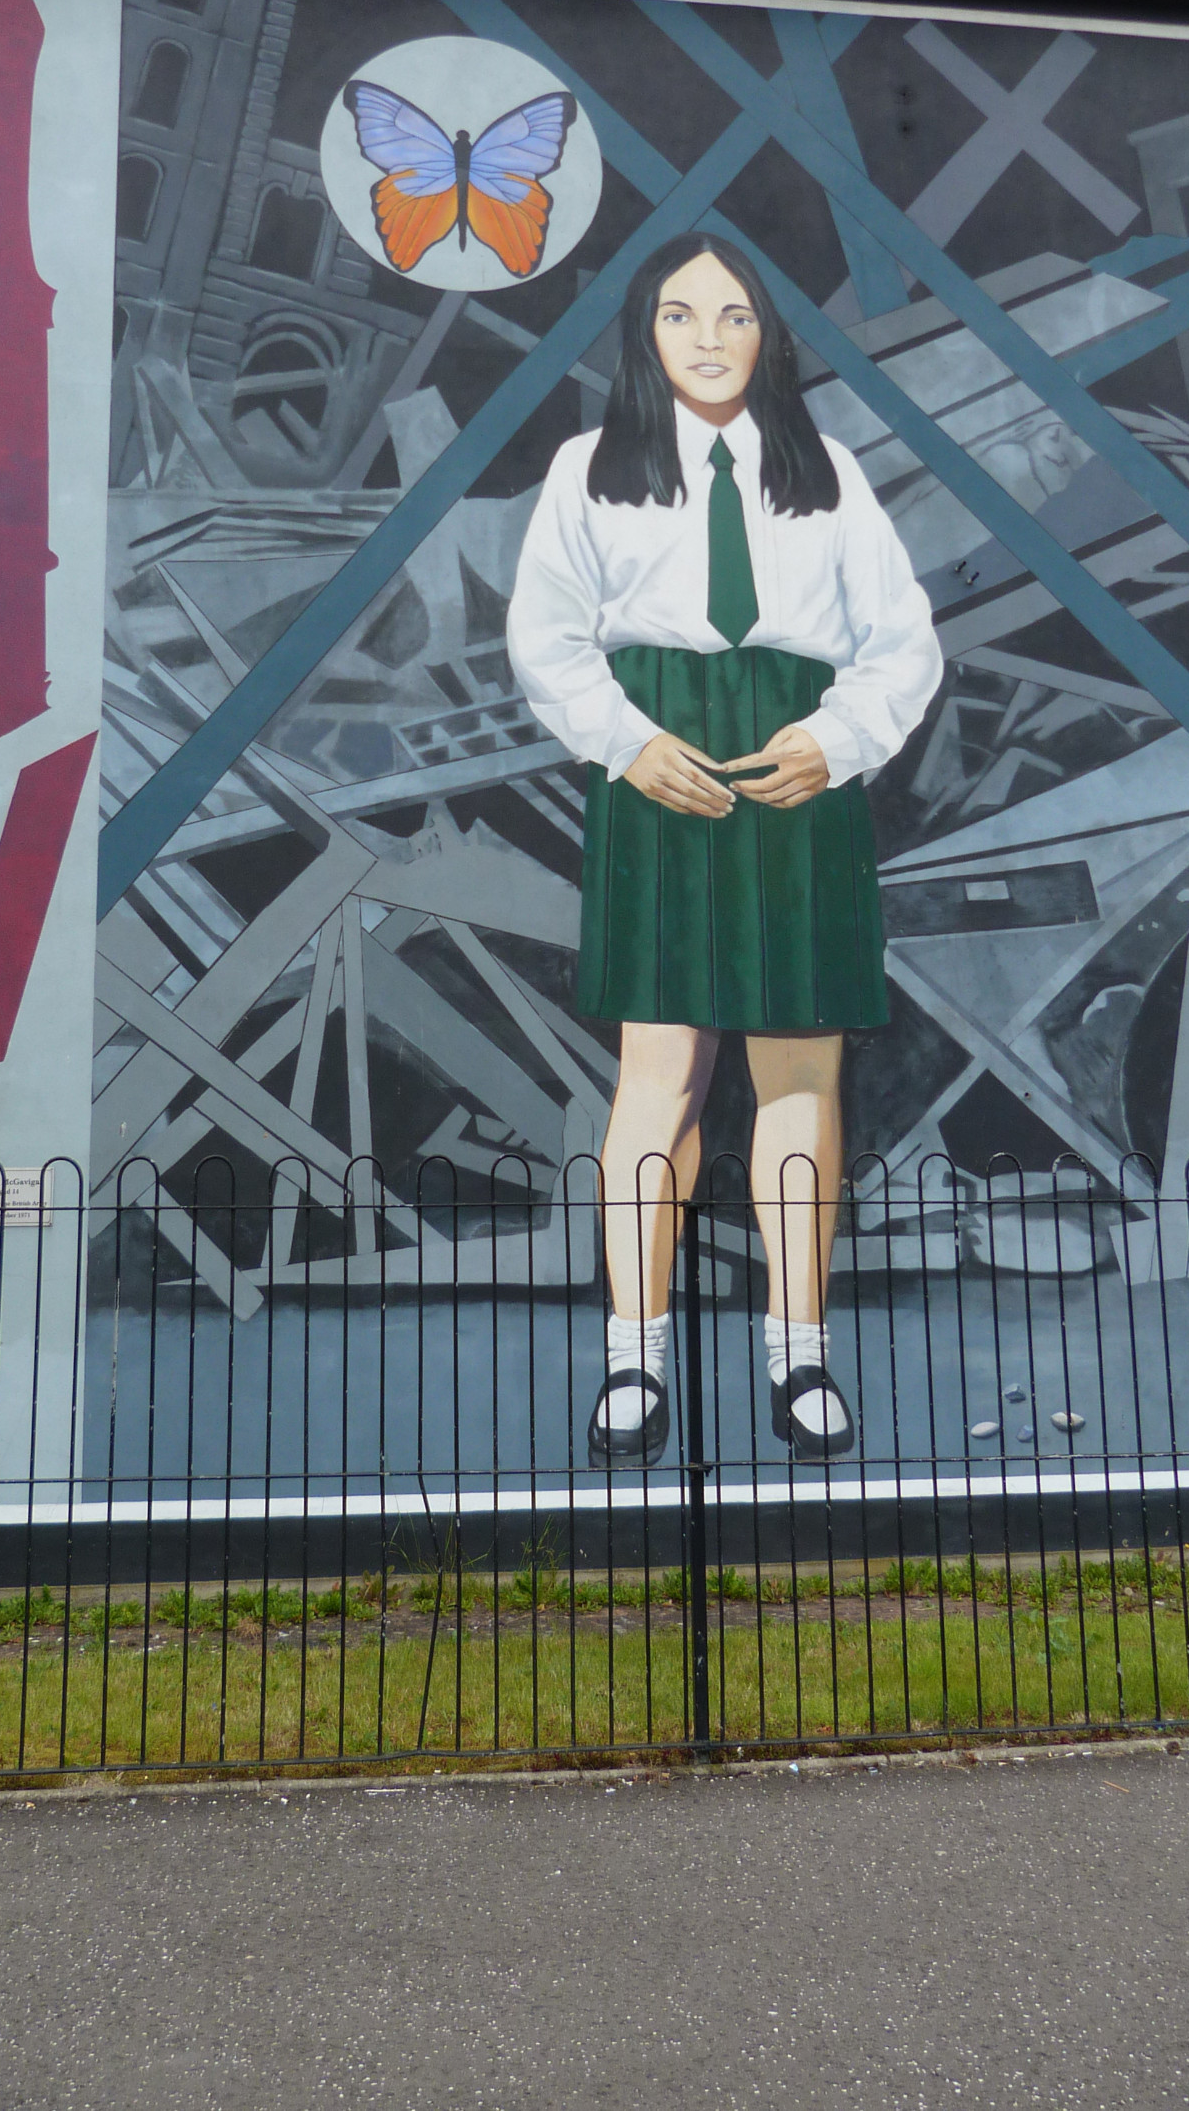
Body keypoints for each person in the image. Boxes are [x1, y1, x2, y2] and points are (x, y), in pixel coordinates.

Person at [506, 233, 942, 1466]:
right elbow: (545, 638)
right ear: (644, 330)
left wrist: (838, 739)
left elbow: (903, 642)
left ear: (768, 335)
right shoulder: (589, 469)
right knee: (659, 1077)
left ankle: (797, 1355)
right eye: (682, 313)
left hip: (796, 771)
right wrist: (625, 744)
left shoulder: (829, 472)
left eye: (735, 314)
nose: (708, 336)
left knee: (799, 1081)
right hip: (656, 766)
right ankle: (632, 1361)